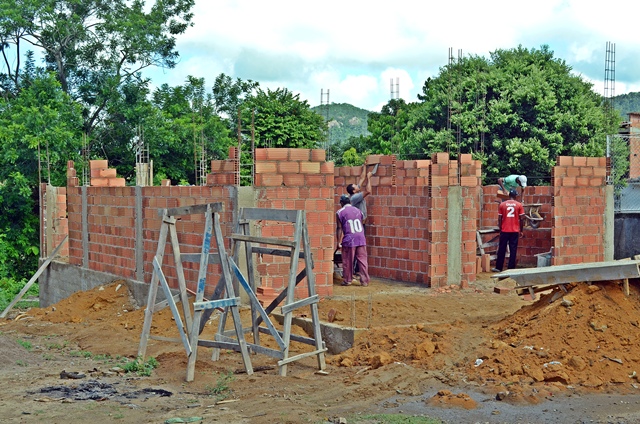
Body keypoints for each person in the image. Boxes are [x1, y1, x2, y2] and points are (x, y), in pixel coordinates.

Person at [336, 194, 370, 287]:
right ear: (350, 202)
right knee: (362, 260)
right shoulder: (358, 211)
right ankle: (364, 281)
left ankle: (348, 280)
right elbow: (362, 220)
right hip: (361, 238)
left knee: (347, 260)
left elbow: (339, 228)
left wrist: (338, 242)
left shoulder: (340, 212)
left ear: (342, 203)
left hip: (349, 239)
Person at [492, 189, 525, 272]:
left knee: (502, 248)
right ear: (515, 196)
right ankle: (511, 268)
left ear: (509, 195)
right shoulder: (519, 205)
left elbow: (500, 218)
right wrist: (521, 230)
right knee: (513, 249)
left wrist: (500, 228)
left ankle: (499, 267)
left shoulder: (502, 204)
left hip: (505, 230)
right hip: (514, 230)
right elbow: (522, 219)